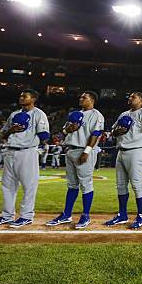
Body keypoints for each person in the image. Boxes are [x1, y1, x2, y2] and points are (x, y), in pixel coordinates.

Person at [0, 89, 50, 228]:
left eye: (25, 96)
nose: (21, 97)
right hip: (10, 151)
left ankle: (26, 216)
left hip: (27, 152)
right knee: (7, 186)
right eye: (21, 95)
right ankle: (7, 215)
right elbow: (3, 134)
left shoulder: (39, 114)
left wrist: (34, 136)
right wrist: (12, 130)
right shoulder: (14, 114)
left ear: (33, 99)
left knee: (29, 185)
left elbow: (45, 135)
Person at [46, 91, 105, 229]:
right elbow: (64, 131)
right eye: (80, 97)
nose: (81, 99)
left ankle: (85, 216)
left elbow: (96, 134)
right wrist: (69, 129)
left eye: (84, 97)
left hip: (83, 151)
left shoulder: (96, 115)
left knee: (86, 184)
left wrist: (87, 151)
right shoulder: (75, 114)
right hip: (71, 150)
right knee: (72, 185)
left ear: (92, 100)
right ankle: (66, 214)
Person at [104, 92, 142, 229]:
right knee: (121, 185)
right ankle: (122, 215)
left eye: (133, 97)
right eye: (129, 96)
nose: (130, 98)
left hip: (137, 151)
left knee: (137, 184)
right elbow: (113, 132)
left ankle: (141, 216)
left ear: (141, 100)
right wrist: (118, 131)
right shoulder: (124, 114)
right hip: (121, 151)